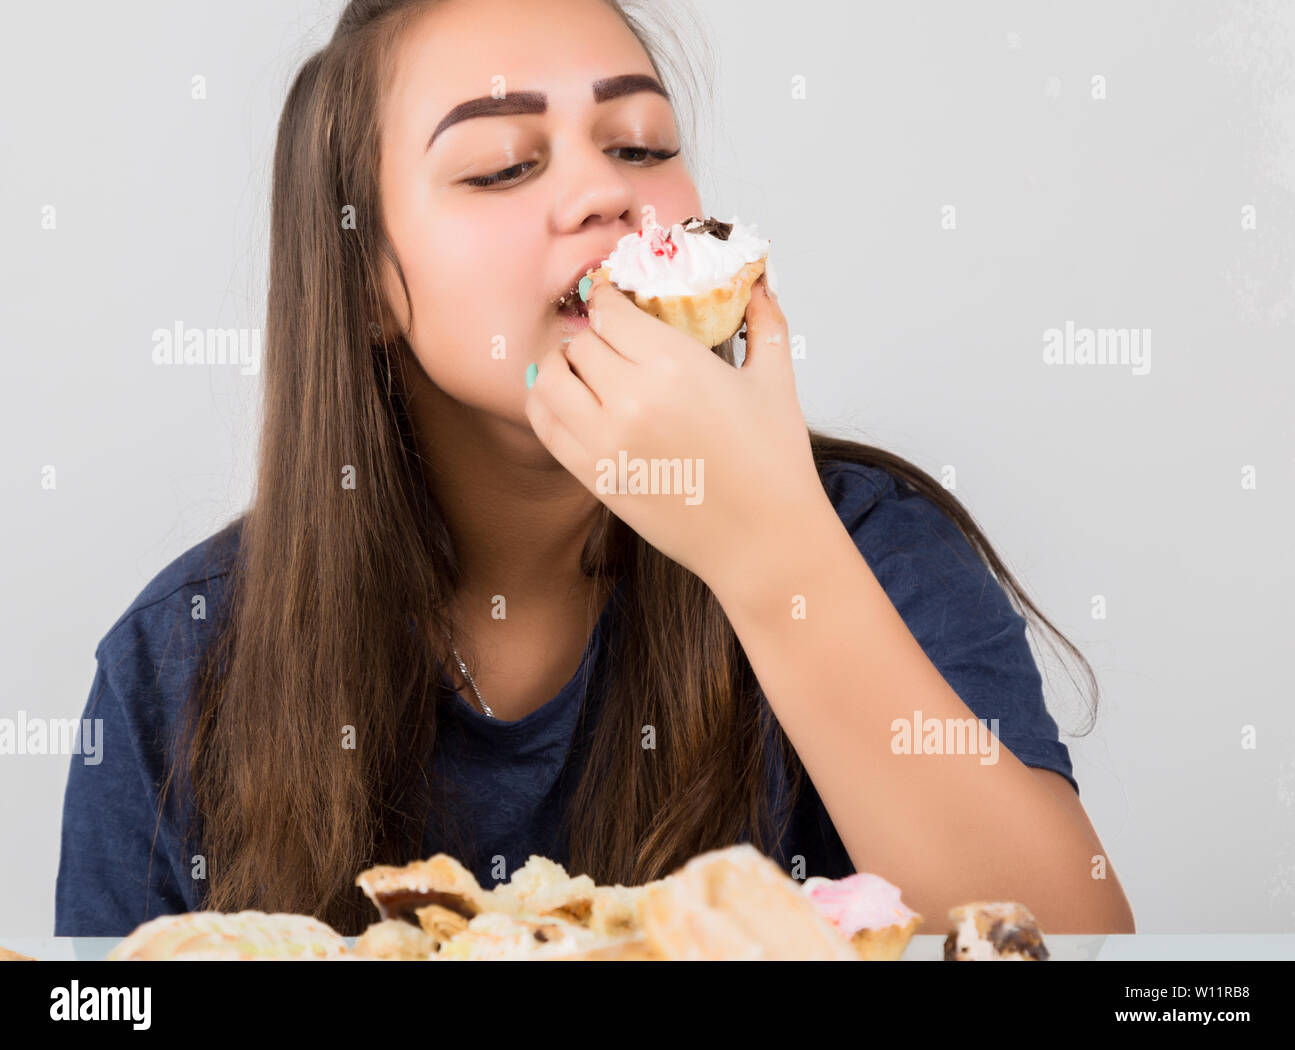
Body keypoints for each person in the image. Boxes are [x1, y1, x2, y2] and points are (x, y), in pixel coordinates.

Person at [55, 0, 1134, 938]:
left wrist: (770, 551)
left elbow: (1075, 946)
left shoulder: (866, 543)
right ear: (368, 283)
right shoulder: (177, 662)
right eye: (504, 166)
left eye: (640, 145)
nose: (603, 196)